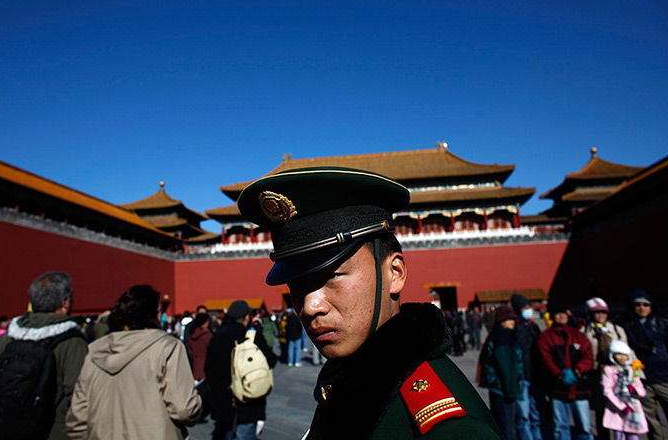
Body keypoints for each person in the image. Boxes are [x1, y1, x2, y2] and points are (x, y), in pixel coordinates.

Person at [236, 166, 501, 439]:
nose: (309, 306)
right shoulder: (345, 384)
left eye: (332, 276)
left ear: (394, 273)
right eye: (296, 287)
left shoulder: (449, 429)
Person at [66, 285, 201, 439]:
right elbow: (184, 409)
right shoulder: (167, 348)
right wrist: (197, 401)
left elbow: (77, 418)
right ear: (152, 314)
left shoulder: (95, 352)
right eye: (159, 312)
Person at [0, 271, 88, 440]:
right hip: (52, 433)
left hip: (7, 431)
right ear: (64, 302)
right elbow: (80, 396)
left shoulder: (6, 339)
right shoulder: (72, 343)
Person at [205, 300, 277, 440]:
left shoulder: (217, 337)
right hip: (249, 401)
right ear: (246, 317)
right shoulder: (253, 337)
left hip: (224, 402)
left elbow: (208, 369)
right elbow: (272, 360)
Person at [538, 302, 594, 440]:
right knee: (560, 426)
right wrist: (559, 374)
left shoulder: (578, 336)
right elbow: (546, 359)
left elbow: (588, 357)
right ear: (552, 316)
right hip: (557, 388)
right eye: (558, 314)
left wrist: (577, 370)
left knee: (585, 427)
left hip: (579, 387)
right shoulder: (546, 337)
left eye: (564, 313)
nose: (561, 316)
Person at [620, 289, 668, 440]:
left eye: (645, 305)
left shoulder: (662, 324)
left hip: (665, 378)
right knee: (651, 419)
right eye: (638, 305)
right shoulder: (625, 326)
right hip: (642, 379)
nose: (642, 308)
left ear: (651, 307)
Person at [580, 297, 631, 440]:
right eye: (597, 313)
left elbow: (626, 350)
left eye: (603, 312)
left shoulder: (616, 330)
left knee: (620, 407)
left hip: (617, 373)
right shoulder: (585, 331)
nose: (600, 316)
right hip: (596, 373)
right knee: (600, 410)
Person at [479, 304, 524, 440]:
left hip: (497, 387)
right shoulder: (503, 337)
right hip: (504, 389)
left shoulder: (497, 335)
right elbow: (506, 367)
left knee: (502, 424)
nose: (513, 322)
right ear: (503, 321)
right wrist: (511, 391)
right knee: (507, 427)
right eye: (510, 319)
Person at [510, 293, 547, 440]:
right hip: (522, 376)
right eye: (525, 307)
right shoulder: (514, 328)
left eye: (528, 306)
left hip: (536, 374)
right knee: (523, 415)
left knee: (537, 412)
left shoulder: (534, 326)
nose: (528, 310)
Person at [602, 340, 648, 440]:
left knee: (633, 436)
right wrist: (621, 407)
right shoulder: (609, 370)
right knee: (619, 435)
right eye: (618, 355)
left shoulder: (632, 370)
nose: (622, 358)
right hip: (617, 409)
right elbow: (607, 391)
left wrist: (635, 391)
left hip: (633, 408)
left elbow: (641, 389)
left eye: (624, 355)